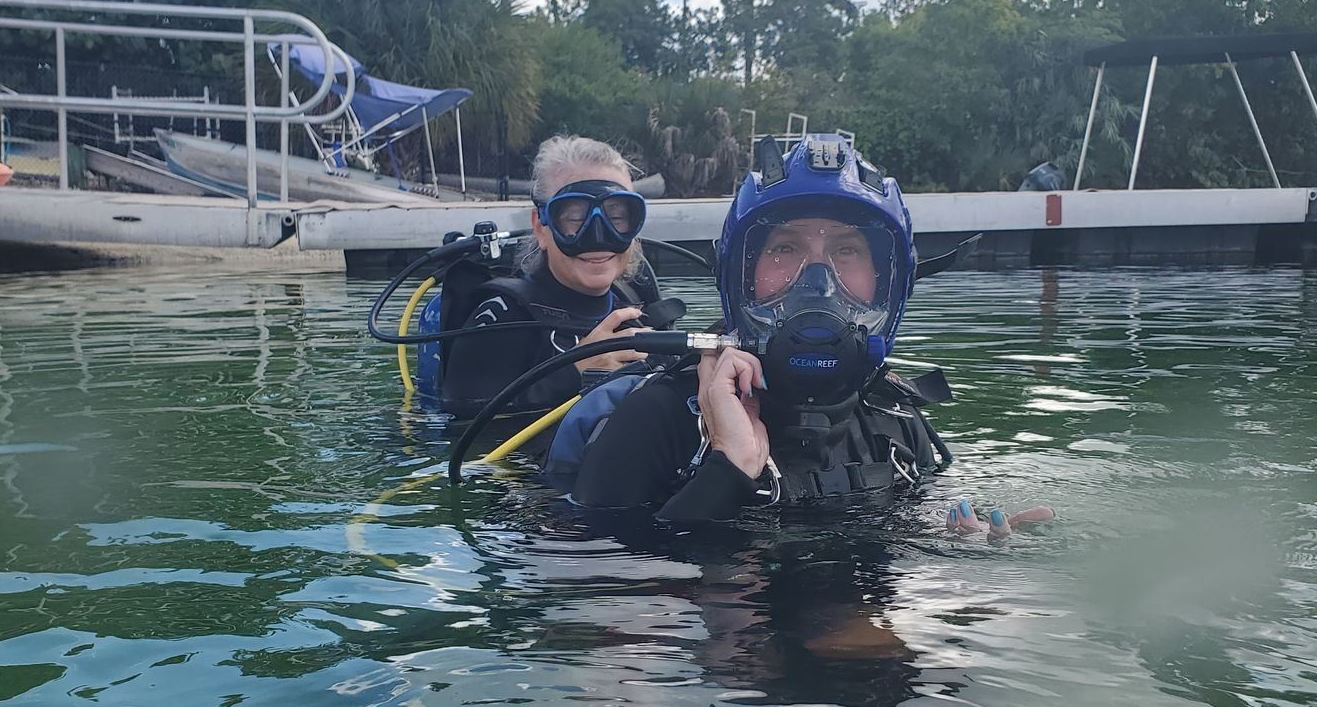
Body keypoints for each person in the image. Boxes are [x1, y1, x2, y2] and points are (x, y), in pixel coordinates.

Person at [572, 132, 1051, 535]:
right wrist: (729, 467)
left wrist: (960, 552)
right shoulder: (658, 420)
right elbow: (595, 596)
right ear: (740, 276)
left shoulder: (897, 420)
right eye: (784, 248)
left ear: (888, 283)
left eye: (847, 251)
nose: (816, 282)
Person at [439, 135, 660, 417]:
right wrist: (577, 370)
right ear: (541, 227)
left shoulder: (635, 302)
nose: (598, 236)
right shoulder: (502, 319)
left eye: (616, 218)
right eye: (574, 219)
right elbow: (466, 431)